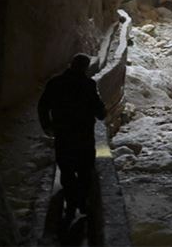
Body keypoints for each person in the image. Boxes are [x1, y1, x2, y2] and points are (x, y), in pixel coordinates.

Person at [38, 53, 106, 220]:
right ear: (85, 67)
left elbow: (43, 106)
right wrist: (101, 112)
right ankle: (82, 204)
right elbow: (100, 112)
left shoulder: (55, 83)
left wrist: (47, 126)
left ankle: (70, 203)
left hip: (63, 135)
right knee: (84, 171)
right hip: (84, 136)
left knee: (67, 171)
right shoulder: (88, 85)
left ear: (71, 64)